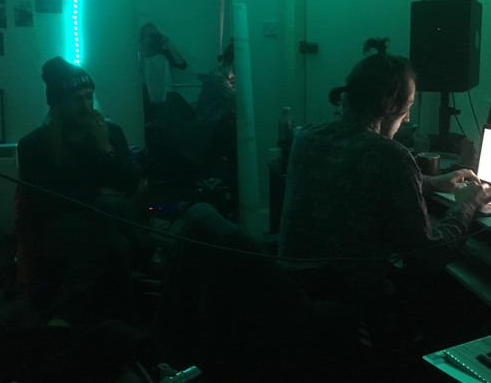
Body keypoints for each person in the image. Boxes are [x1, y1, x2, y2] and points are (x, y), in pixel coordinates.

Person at [278, 37, 491, 346]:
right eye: (409, 106)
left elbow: (356, 177)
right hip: (348, 304)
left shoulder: (307, 137)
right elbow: (429, 256)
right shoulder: (391, 156)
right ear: (391, 105)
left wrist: (432, 182)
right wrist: (467, 204)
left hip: (290, 292)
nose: (408, 117)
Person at [16, 56, 154, 327]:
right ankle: (127, 325)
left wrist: (105, 150)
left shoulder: (110, 133)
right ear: (57, 103)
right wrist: (99, 196)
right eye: (75, 99)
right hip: (63, 229)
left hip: (108, 222)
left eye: (89, 96)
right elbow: (43, 204)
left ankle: (64, 320)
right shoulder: (34, 144)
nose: (85, 106)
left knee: (111, 228)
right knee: (114, 235)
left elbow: (130, 185)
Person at [138, 22, 188, 126]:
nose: (150, 37)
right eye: (147, 34)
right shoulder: (137, 55)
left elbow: (182, 65)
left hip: (165, 99)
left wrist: (168, 44)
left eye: (153, 34)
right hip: (145, 99)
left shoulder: (163, 55)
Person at [196, 41, 235, 123]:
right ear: (234, 61)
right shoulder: (217, 80)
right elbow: (237, 102)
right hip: (211, 124)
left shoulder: (222, 74)